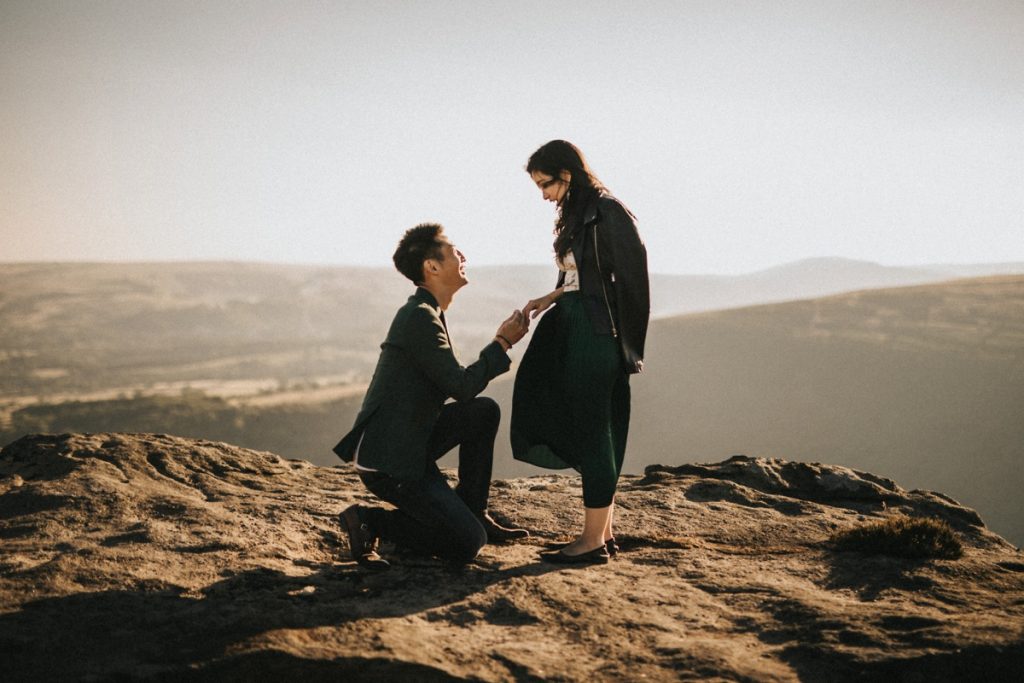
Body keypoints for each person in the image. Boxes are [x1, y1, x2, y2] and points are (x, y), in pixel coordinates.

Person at [334, 223, 530, 570]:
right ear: (432, 266)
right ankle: (368, 520)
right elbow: (461, 386)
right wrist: (502, 343)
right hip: (390, 461)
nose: (463, 255)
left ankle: (473, 510)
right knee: (468, 542)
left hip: (410, 441)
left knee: (482, 412)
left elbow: (464, 393)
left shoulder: (427, 313)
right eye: (455, 250)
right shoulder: (418, 318)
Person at [512, 140, 650, 566]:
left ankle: (591, 542)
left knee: (594, 429)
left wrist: (627, 347)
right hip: (574, 324)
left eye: (545, 183)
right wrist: (551, 296)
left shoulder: (606, 210)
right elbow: (583, 277)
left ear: (567, 173)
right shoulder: (579, 212)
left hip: (596, 334)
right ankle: (602, 535)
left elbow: (632, 280)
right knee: (591, 427)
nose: (543, 194)